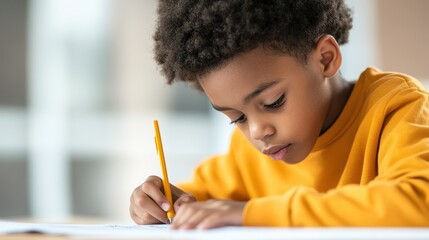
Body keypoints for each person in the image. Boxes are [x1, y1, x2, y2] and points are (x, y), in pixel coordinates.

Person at [129, 0, 429, 229]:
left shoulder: (397, 107)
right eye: (237, 118)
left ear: (325, 58)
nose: (258, 132)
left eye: (273, 102)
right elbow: (198, 200)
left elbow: (419, 202)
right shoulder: (249, 156)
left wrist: (253, 214)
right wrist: (159, 203)